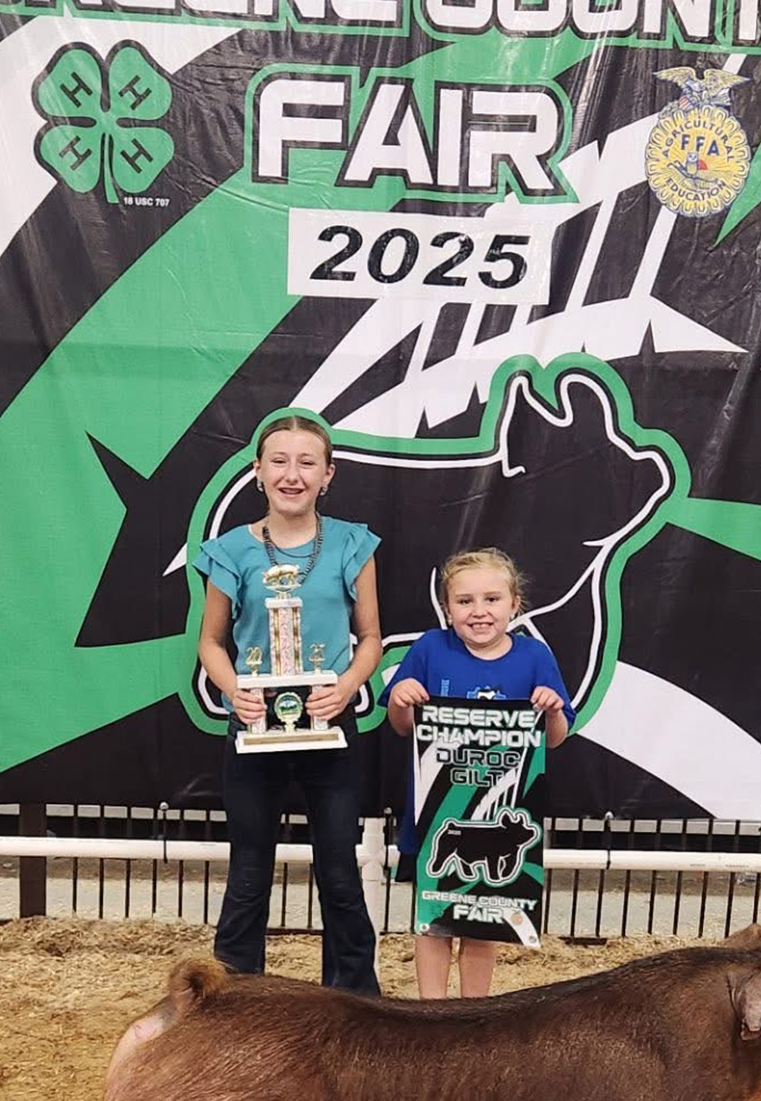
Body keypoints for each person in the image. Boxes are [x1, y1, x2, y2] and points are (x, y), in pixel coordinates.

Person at [194, 411, 382, 992]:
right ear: (257, 471)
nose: (292, 474)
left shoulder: (354, 543)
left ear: (328, 474)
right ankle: (232, 1003)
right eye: (279, 461)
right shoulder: (229, 551)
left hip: (331, 728)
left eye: (306, 462)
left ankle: (352, 1001)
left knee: (340, 875)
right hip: (254, 732)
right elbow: (211, 641)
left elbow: (371, 637)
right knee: (249, 873)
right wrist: (235, 691)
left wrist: (346, 686)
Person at [385, 548, 573, 1000]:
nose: (479, 611)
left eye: (491, 599)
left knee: (482, 917)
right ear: (447, 609)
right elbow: (403, 727)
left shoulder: (534, 657)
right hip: (434, 815)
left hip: (499, 811)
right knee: (433, 917)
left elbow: (555, 738)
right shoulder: (430, 648)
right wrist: (400, 699)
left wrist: (550, 710)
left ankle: (475, 1011)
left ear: (515, 604)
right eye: (465, 601)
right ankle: (431, 1008)